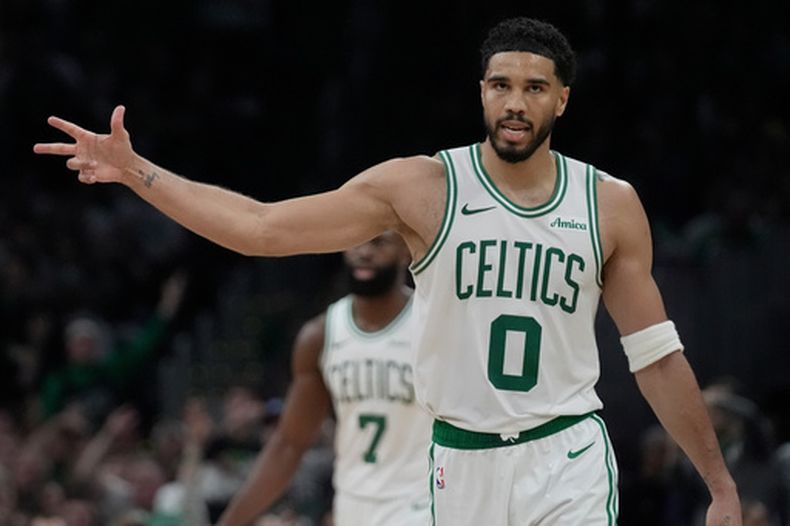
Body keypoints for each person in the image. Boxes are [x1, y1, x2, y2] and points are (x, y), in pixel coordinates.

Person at [34, 16, 741, 525]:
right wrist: (138, 173)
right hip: (458, 463)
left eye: (534, 87)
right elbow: (260, 227)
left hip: (566, 455)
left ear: (562, 99)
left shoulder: (609, 204)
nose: (515, 102)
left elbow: (654, 356)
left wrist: (720, 485)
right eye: (501, 85)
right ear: (482, 92)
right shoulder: (421, 187)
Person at [217, 231, 432, 525]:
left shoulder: (431, 325)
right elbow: (289, 444)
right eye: (357, 241)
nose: (364, 252)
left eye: (379, 242)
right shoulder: (321, 335)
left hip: (422, 502)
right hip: (353, 506)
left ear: (407, 252)